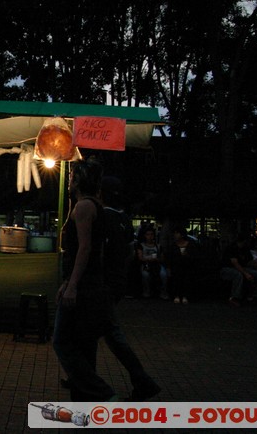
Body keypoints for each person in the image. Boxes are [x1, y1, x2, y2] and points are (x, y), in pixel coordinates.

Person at [53, 158, 116, 402]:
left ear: (78, 180)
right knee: (84, 346)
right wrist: (68, 281)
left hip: (84, 287)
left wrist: (72, 285)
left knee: (62, 341)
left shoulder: (84, 208)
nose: (69, 181)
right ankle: (88, 407)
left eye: (71, 177)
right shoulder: (90, 205)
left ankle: (102, 393)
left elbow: (85, 249)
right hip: (88, 284)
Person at [100, 176, 161, 401]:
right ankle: (81, 374)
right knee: (101, 333)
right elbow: (128, 252)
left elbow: (99, 253)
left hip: (104, 284)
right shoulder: (123, 218)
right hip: (116, 282)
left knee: (111, 334)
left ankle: (142, 381)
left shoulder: (103, 217)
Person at [220, 232, 257, 307]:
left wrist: (255, 263)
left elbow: (249, 261)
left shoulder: (245, 249)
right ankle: (234, 297)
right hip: (227, 268)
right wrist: (246, 273)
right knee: (238, 275)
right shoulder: (231, 248)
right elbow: (235, 263)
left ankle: (253, 296)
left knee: (256, 274)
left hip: (241, 267)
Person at [165, 226, 200, 304]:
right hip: (176, 267)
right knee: (177, 276)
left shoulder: (191, 245)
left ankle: (185, 295)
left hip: (188, 266)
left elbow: (195, 257)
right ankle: (177, 295)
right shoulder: (173, 246)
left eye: (177, 233)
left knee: (186, 277)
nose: (175, 235)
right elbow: (169, 258)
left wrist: (187, 255)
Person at [137, 227, 168, 299]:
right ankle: (146, 291)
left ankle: (163, 292)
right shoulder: (141, 245)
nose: (150, 236)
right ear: (144, 236)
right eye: (148, 234)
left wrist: (157, 259)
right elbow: (140, 257)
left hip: (157, 264)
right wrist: (150, 259)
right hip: (146, 264)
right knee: (145, 275)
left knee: (163, 275)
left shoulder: (158, 246)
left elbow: (162, 258)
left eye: (151, 234)